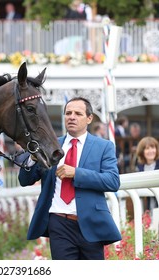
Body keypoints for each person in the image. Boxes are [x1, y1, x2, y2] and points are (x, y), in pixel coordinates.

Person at [18, 97, 121, 260]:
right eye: (68, 113)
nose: (72, 117)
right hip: (59, 223)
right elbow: (25, 180)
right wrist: (32, 158)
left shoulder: (104, 146)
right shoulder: (50, 145)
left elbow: (112, 181)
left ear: (89, 118)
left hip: (91, 223)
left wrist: (76, 173)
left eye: (78, 113)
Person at [135, 136, 159, 207]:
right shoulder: (140, 166)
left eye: (153, 148)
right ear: (142, 151)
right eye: (147, 148)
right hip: (149, 201)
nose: (151, 151)